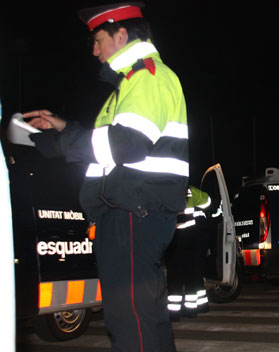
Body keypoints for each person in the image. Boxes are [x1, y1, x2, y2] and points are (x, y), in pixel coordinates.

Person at [23, 2, 188, 351]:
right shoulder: (133, 82)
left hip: (131, 212)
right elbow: (112, 142)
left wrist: (60, 142)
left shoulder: (146, 77)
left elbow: (126, 145)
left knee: (129, 321)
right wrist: (64, 126)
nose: (95, 50)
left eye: (97, 40)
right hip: (133, 212)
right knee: (145, 317)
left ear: (121, 35)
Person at [166, 185, 212, 321]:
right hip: (191, 239)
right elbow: (207, 202)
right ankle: (192, 310)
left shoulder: (163, 190)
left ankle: (174, 313)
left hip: (172, 239)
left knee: (174, 278)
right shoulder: (190, 190)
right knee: (192, 276)